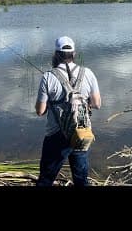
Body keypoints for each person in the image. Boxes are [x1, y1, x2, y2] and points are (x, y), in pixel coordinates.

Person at [35, 36, 101, 186]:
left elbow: (40, 111)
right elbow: (97, 104)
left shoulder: (48, 77)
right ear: (74, 54)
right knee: (81, 180)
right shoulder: (88, 73)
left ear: (56, 54)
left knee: (46, 179)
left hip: (55, 135)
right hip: (81, 132)